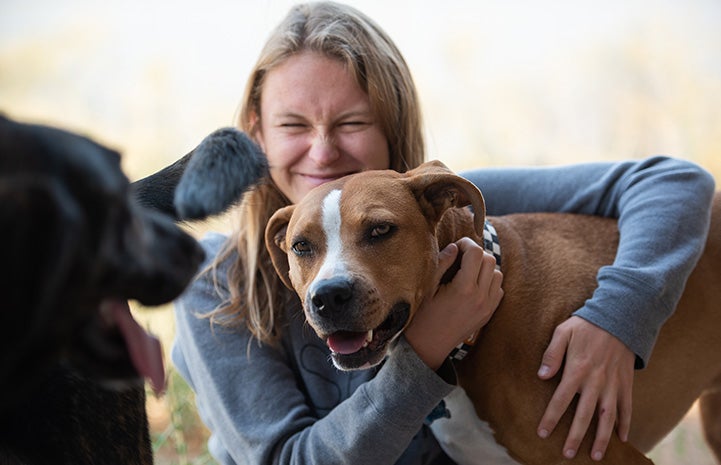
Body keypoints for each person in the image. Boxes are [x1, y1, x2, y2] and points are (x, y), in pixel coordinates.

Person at [171, 2, 716, 464]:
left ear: (394, 124)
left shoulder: (445, 201)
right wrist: (426, 348)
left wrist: (616, 319)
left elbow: (673, 181)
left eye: (351, 123)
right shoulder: (215, 282)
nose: (323, 152)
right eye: (293, 125)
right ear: (255, 134)